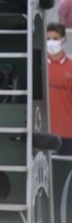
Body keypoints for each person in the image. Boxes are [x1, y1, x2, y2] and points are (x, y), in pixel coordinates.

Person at [46, 22, 72, 155]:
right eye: (48, 39)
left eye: (55, 39)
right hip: (43, 134)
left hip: (67, 135)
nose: (51, 42)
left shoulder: (70, 67)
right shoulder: (39, 66)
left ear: (63, 40)